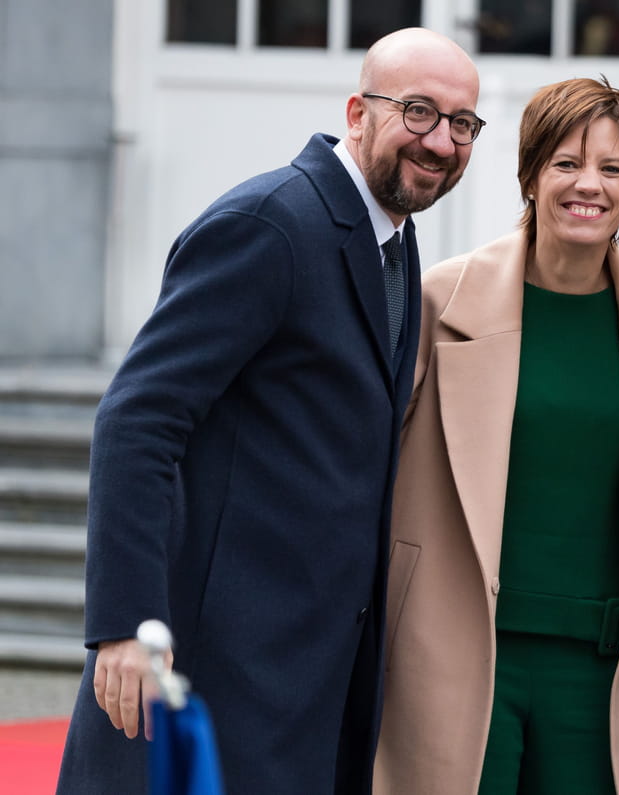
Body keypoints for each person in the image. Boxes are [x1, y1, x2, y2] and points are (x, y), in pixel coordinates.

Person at [55, 27, 482, 794]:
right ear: (357, 112)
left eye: (462, 123)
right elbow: (137, 420)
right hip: (211, 669)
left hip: (305, 680)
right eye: (418, 111)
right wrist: (123, 625)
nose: (441, 141)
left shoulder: (396, 244)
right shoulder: (270, 224)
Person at [373, 77, 619, 794]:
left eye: (612, 169)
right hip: (454, 655)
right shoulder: (438, 302)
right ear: (530, 175)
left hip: (603, 676)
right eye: (566, 163)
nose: (589, 185)